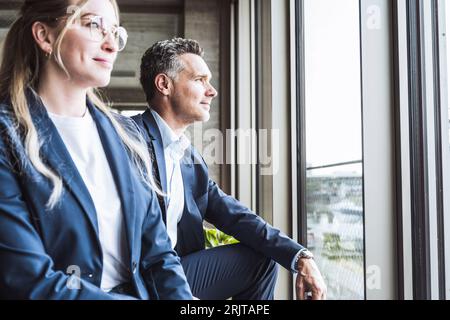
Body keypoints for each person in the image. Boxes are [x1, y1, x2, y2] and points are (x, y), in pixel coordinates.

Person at [0, 1, 192, 300]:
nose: (111, 45)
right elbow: (29, 281)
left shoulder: (127, 135)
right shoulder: (7, 137)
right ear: (45, 35)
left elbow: (158, 255)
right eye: (93, 25)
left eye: (115, 32)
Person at [133, 37, 327, 300]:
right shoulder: (128, 138)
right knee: (259, 264)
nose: (211, 91)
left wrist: (300, 256)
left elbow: (236, 216)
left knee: (262, 259)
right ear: (164, 84)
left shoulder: (189, 158)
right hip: (138, 279)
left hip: (176, 272)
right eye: (200, 80)